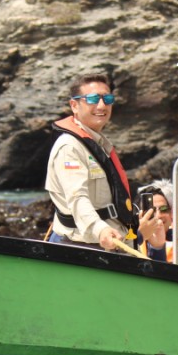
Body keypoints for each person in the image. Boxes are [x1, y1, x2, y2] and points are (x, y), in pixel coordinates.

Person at [45, 72, 165, 257]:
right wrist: (100, 229)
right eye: (92, 99)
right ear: (74, 105)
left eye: (107, 98)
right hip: (83, 250)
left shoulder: (98, 145)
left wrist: (138, 233)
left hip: (110, 247)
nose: (101, 105)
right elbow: (78, 198)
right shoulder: (70, 147)